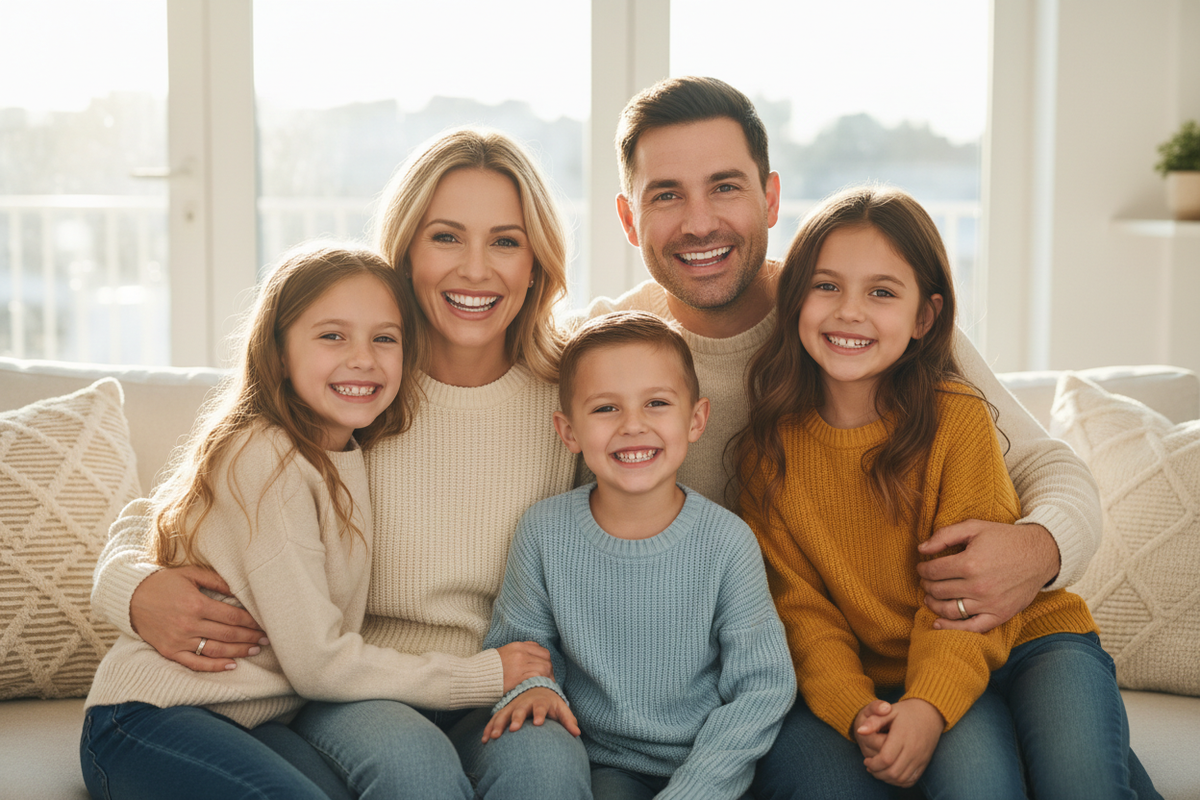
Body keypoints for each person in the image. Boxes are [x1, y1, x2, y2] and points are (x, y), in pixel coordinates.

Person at [90, 129, 591, 798]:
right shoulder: (351, 387)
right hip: (351, 684)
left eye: (506, 240)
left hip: (496, 674)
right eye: (445, 237)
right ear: (405, 252)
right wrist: (128, 587)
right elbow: (175, 506)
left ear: (537, 262)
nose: (476, 269)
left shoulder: (573, 398)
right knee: (413, 768)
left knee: (547, 772)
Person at [584, 75, 1101, 636]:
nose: (701, 222)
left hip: (926, 652)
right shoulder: (598, 352)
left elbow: (1050, 468)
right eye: (666, 194)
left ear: (771, 198)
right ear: (629, 219)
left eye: (725, 187)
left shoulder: (862, 321)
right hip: (769, 669)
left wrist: (1038, 549)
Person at [734, 185, 1156, 799]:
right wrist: (859, 708)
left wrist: (929, 706)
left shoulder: (955, 418)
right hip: (918, 666)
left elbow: (969, 594)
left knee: (1084, 782)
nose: (850, 311)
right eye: (827, 286)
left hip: (1032, 636)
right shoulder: (765, 458)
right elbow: (801, 615)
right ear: (793, 298)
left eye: (881, 292)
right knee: (978, 783)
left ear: (924, 318)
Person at [81, 243, 427, 798]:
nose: (363, 358)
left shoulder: (348, 452)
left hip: (250, 719)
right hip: (148, 715)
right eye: (332, 335)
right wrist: (483, 675)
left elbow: (159, 508)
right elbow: (319, 663)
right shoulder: (261, 451)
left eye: (384, 338)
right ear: (279, 351)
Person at [481, 310, 795, 800]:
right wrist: (532, 689)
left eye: (656, 404)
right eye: (606, 409)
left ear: (696, 420)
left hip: (711, 766)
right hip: (606, 764)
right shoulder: (543, 532)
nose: (633, 426)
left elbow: (763, 687)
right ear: (568, 432)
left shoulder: (727, 542)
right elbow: (520, 647)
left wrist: (698, 788)